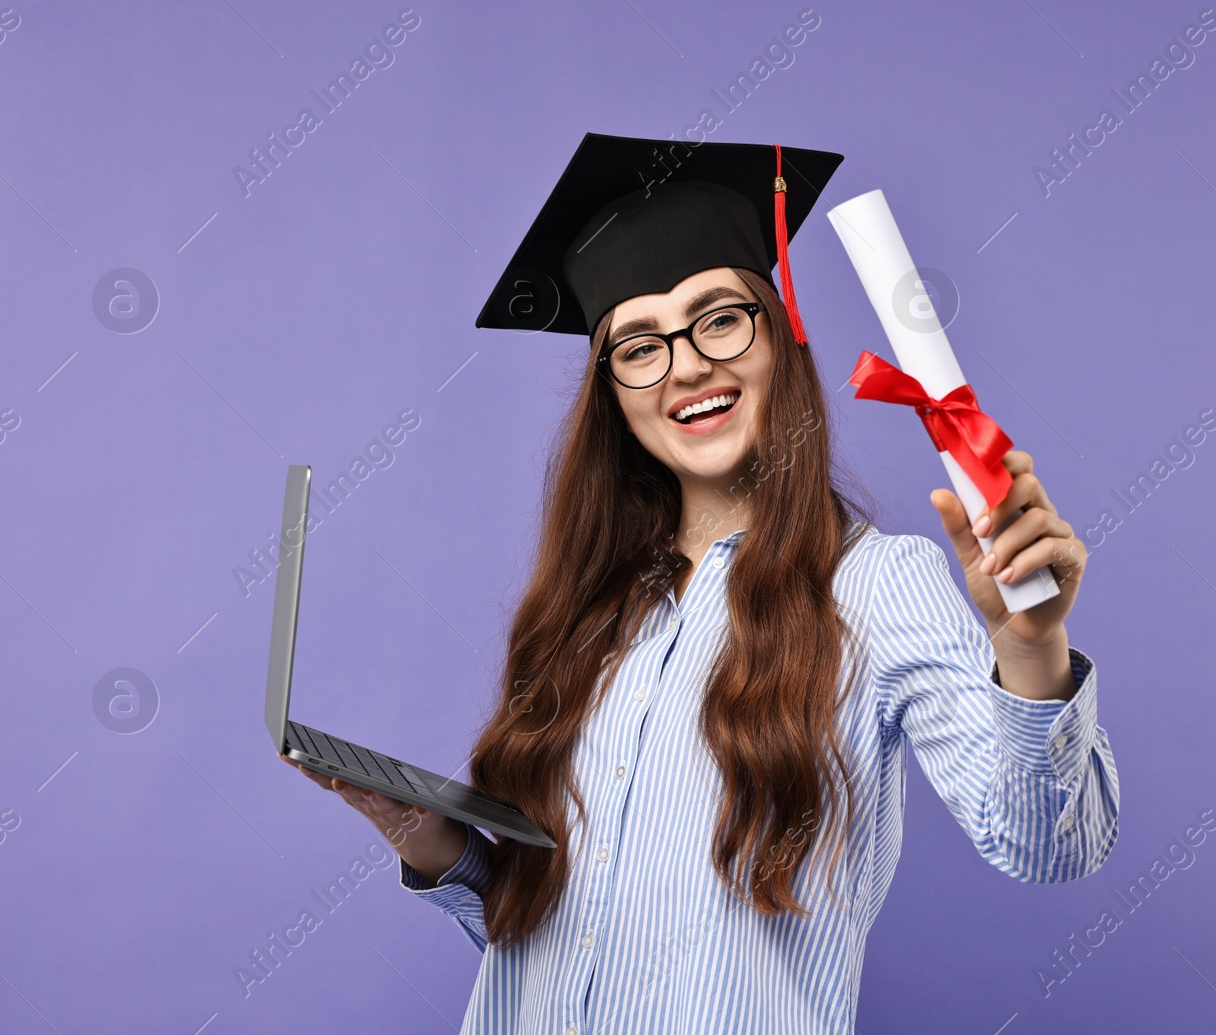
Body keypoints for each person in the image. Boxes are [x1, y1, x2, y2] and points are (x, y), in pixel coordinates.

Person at [281, 133, 1119, 1033]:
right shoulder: (589, 611)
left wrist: (1029, 646)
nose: (685, 365)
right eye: (639, 345)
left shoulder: (876, 583)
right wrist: (428, 839)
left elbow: (1049, 845)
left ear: (778, 335)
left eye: (719, 318)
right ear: (612, 389)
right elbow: (564, 938)